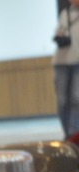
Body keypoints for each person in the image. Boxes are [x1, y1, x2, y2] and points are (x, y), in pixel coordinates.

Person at [54, 0, 79, 137]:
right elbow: (59, 32)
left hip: (77, 62)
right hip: (62, 61)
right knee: (62, 101)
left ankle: (73, 133)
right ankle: (67, 134)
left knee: (76, 98)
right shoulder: (65, 13)